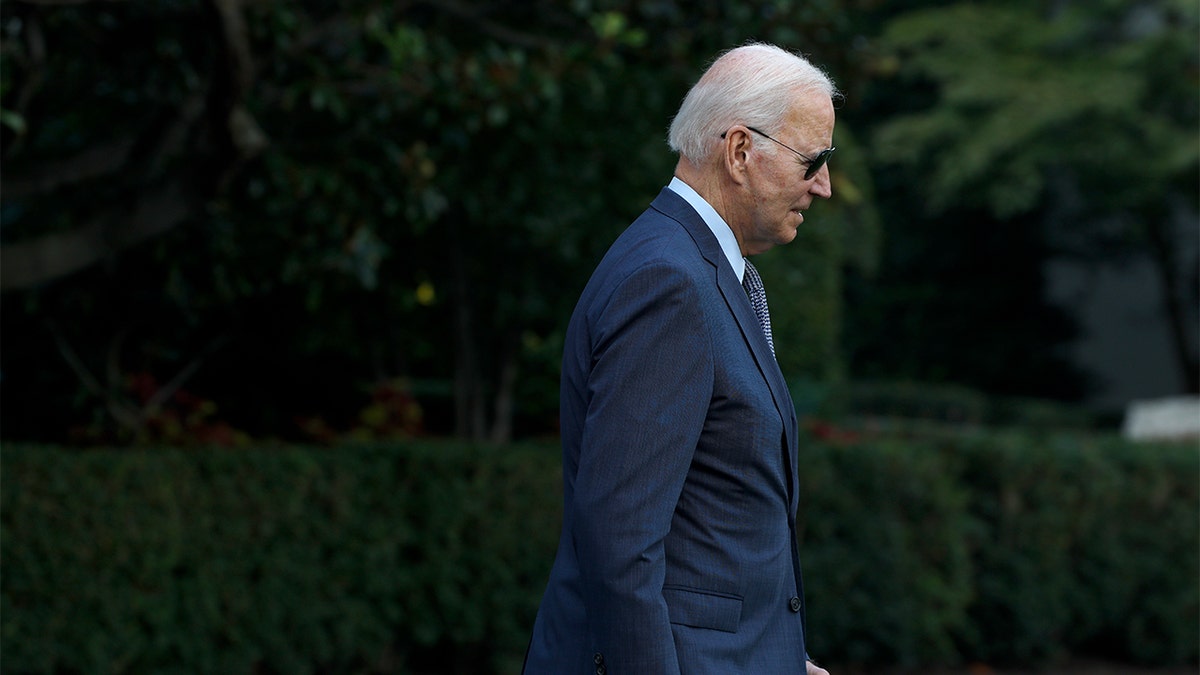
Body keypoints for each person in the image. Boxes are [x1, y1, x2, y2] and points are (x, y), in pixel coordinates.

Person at [523, 42, 838, 675]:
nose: (824, 186)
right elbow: (620, 542)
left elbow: (709, 526)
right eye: (814, 161)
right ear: (740, 151)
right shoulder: (669, 282)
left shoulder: (699, 268)